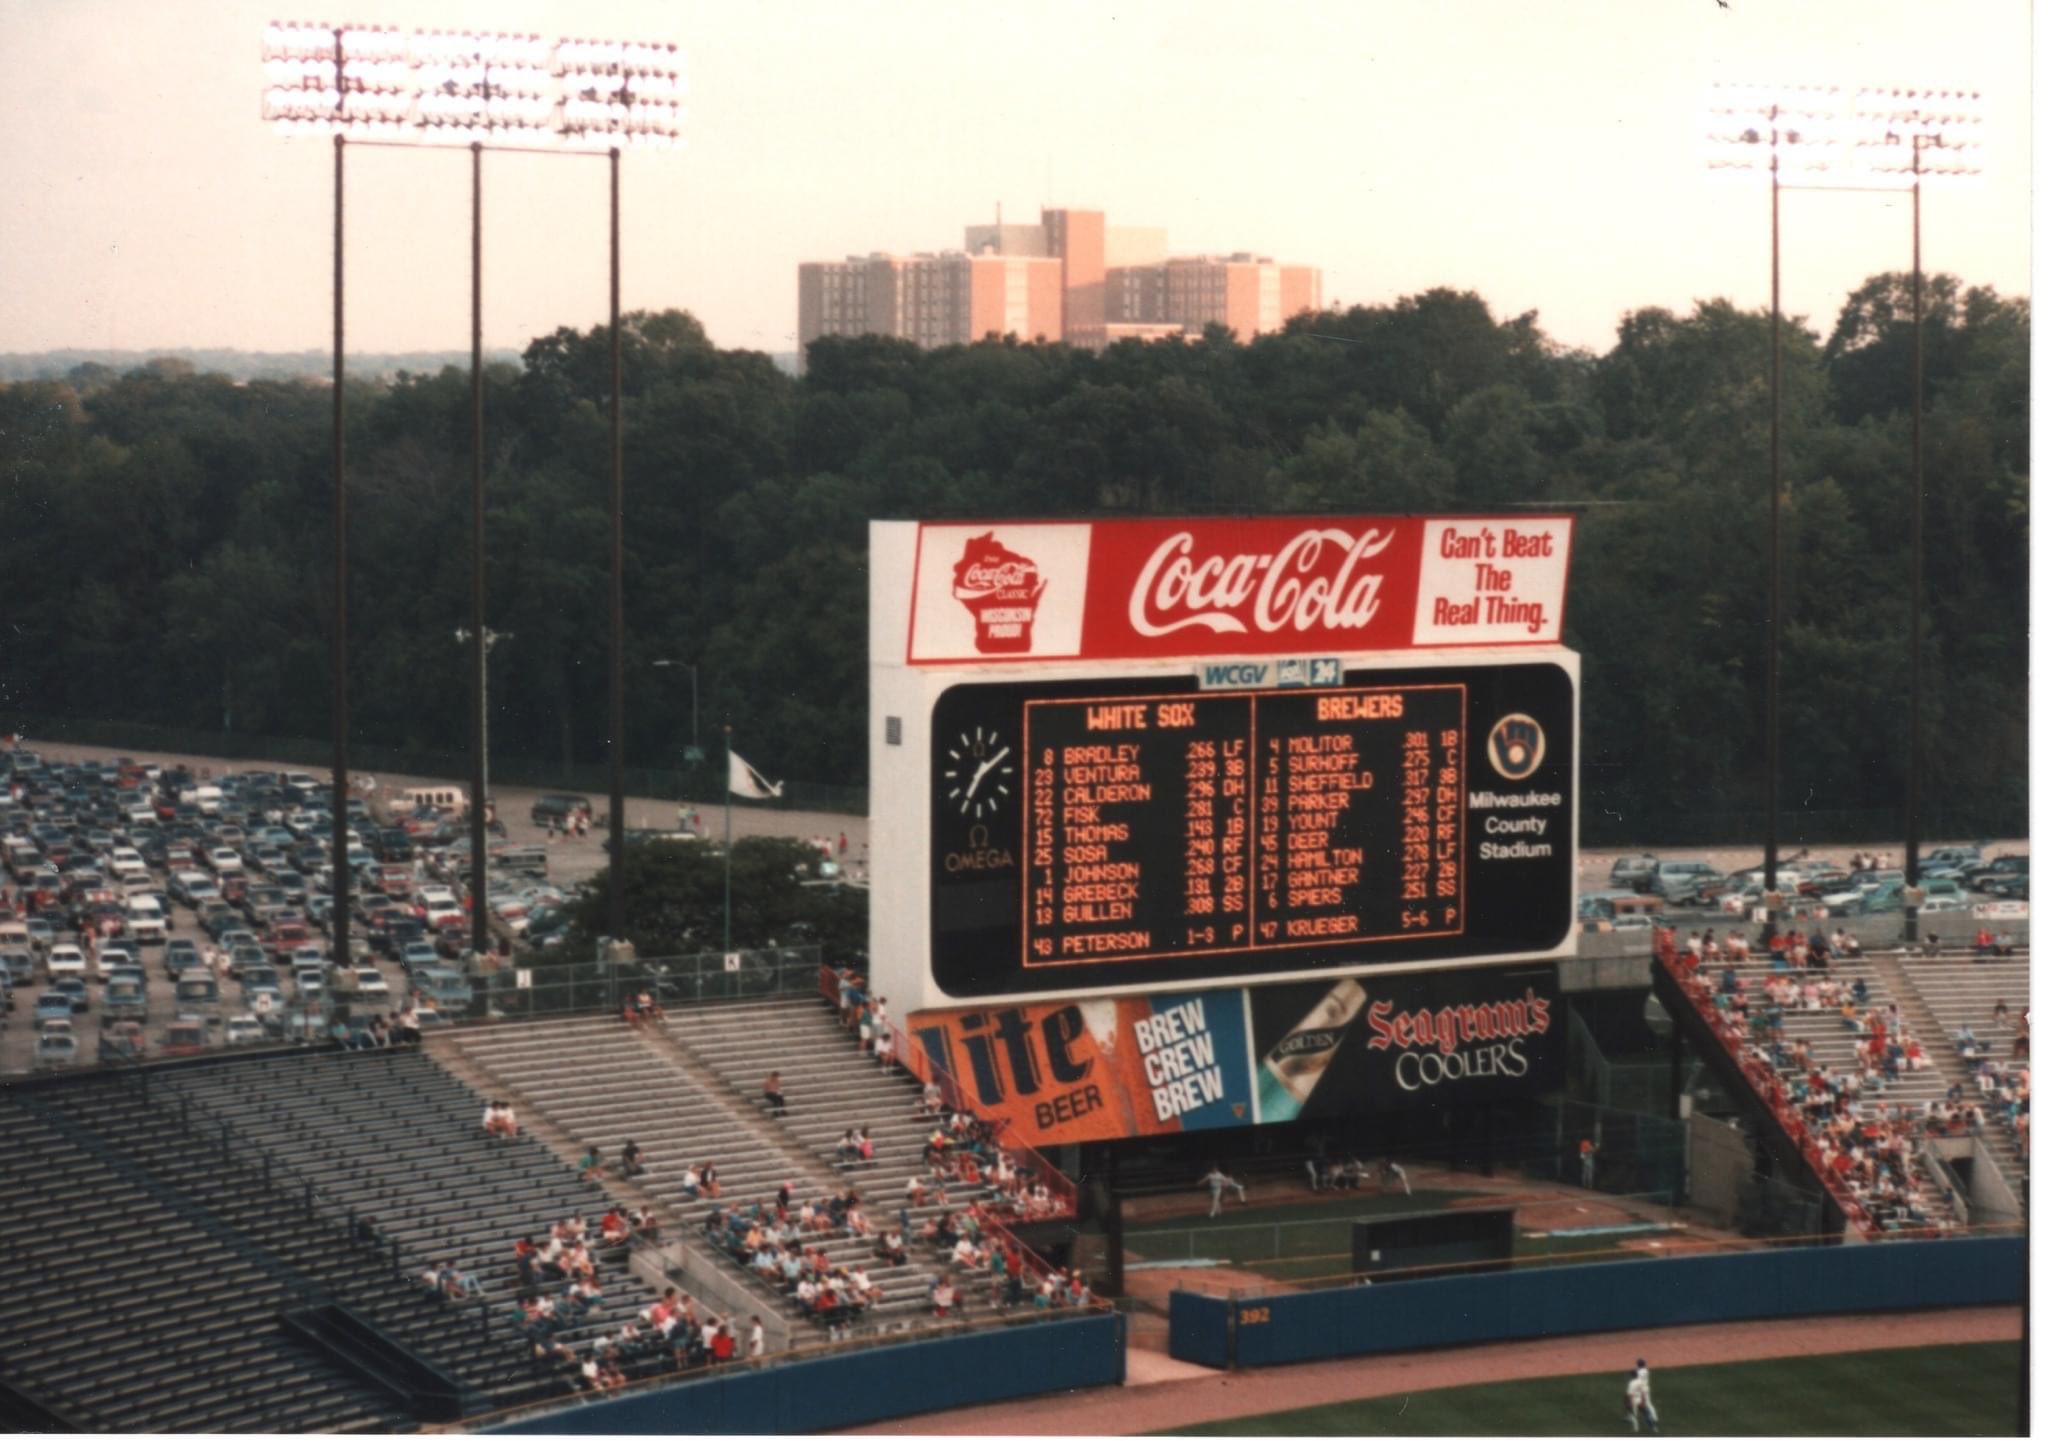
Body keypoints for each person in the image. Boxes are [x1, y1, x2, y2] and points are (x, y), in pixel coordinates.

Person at [1626, 1359, 1660, 1433]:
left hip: (1637, 1393)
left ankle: (1635, 1427)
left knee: (1635, 1412)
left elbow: (1629, 1394)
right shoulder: (1646, 1370)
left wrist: (1629, 1402)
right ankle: (1654, 1420)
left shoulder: (1633, 1381)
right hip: (1644, 1389)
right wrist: (1642, 1401)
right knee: (1648, 1406)